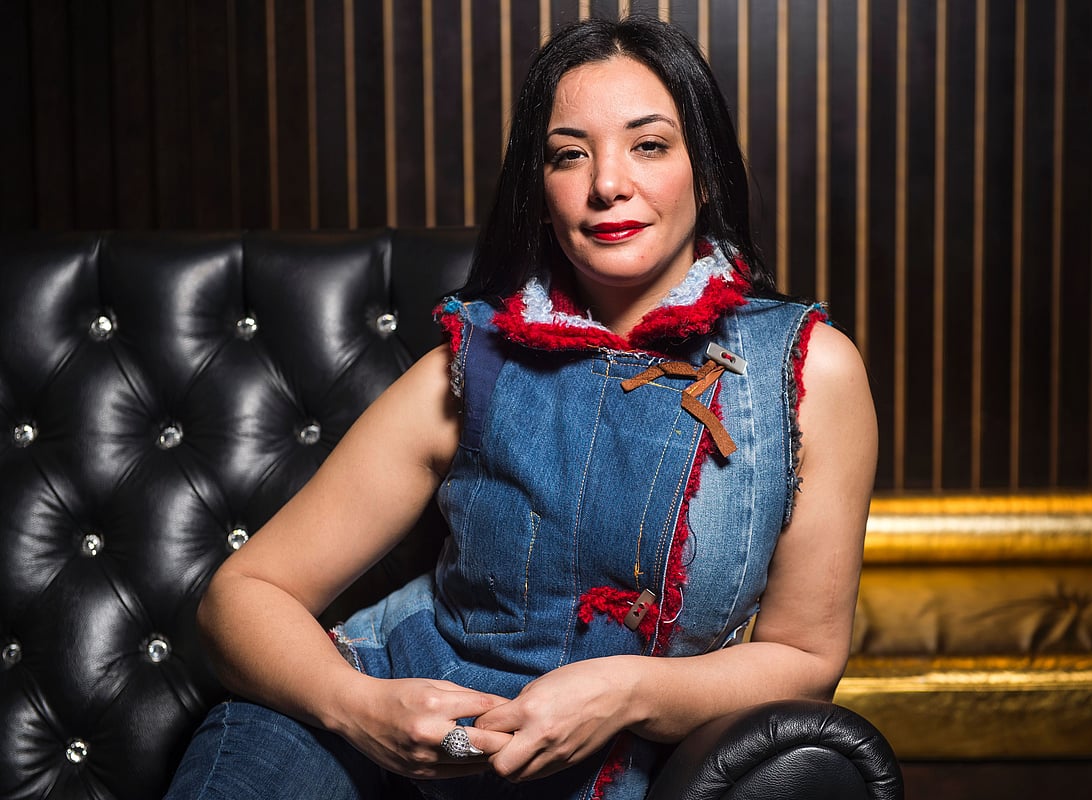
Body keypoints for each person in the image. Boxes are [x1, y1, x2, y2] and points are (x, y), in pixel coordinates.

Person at [165, 14, 877, 800]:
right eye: (570, 155)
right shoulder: (468, 364)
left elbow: (807, 659)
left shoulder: (808, 374)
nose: (608, 183)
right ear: (540, 194)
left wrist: (628, 692)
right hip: (359, 733)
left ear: (703, 172)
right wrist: (358, 706)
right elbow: (240, 596)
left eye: (649, 144)